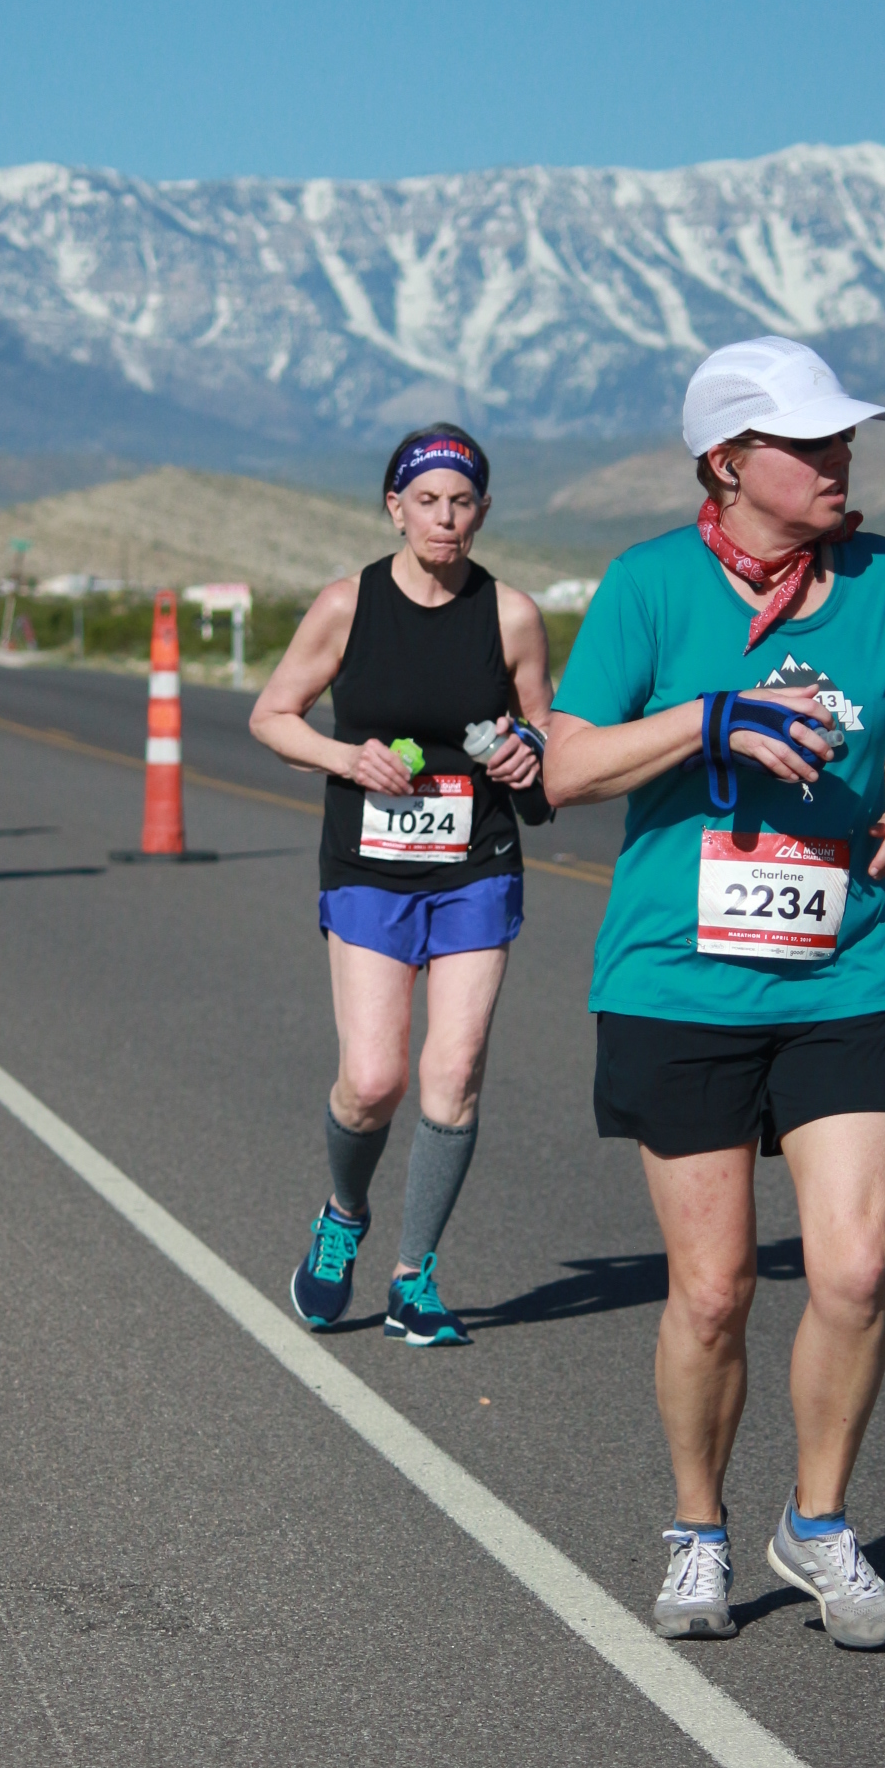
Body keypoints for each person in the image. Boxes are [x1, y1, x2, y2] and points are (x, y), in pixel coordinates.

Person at [544, 336, 885, 1650]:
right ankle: (699, 1532)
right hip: (679, 982)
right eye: (810, 441)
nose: (840, 458)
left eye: (845, 437)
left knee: (856, 1267)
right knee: (716, 1290)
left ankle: (820, 1526)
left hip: (847, 966)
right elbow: (565, 769)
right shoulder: (648, 585)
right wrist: (709, 720)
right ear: (728, 463)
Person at [250, 423, 553, 1346]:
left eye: (462, 502)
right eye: (427, 501)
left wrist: (526, 751)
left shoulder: (511, 615)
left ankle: (414, 1277)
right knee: (372, 1081)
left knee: (452, 1075)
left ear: (483, 511)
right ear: (395, 507)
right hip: (369, 870)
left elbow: (548, 734)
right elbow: (272, 716)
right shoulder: (348, 606)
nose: (444, 518)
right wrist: (349, 758)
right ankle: (344, 1213)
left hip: (476, 864)